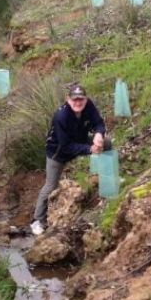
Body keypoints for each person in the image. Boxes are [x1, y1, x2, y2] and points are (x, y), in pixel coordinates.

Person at [31, 84, 109, 236]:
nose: (78, 103)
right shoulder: (61, 117)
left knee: (107, 143)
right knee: (51, 184)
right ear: (68, 99)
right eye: (75, 100)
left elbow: (99, 122)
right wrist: (89, 149)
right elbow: (65, 146)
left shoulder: (89, 106)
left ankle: (106, 179)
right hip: (58, 151)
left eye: (81, 99)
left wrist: (99, 135)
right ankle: (37, 220)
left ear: (85, 99)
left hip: (79, 141)